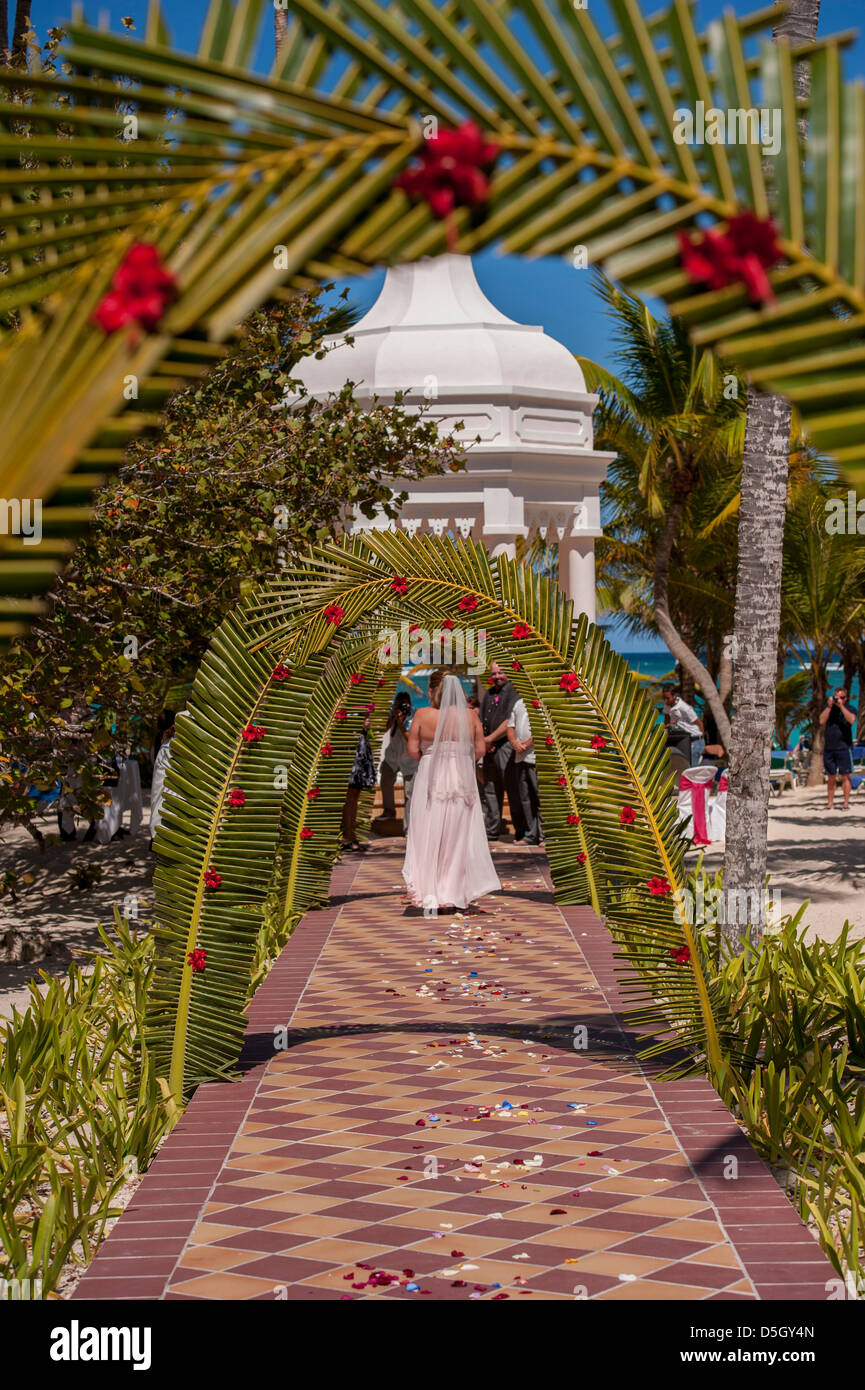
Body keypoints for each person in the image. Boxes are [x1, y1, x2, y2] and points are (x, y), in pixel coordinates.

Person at [403, 670, 500, 913]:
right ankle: (453, 893)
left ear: (431, 691)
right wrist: (459, 756)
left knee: (429, 833)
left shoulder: (422, 715)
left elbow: (413, 750)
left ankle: (432, 891)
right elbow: (480, 749)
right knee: (458, 835)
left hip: (430, 777)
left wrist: (432, 754)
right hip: (460, 777)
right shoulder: (470, 716)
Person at [479, 661, 522, 840]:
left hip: (506, 746)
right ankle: (491, 831)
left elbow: (509, 722)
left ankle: (521, 831)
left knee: (513, 790)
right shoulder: (489, 694)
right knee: (490, 790)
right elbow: (481, 719)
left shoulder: (513, 692)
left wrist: (490, 739)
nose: (497, 676)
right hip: (489, 749)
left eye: (500, 672)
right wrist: (486, 741)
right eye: (494, 673)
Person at [376, 692, 418, 832]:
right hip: (392, 757)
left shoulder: (414, 715)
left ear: (410, 703)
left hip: (409, 759)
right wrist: (394, 716)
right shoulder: (392, 713)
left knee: (409, 793)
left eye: (404, 703)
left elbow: (410, 738)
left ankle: (409, 827)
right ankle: (389, 811)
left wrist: (401, 723)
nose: (402, 706)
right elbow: (384, 729)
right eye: (399, 703)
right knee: (385, 782)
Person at [506, 696, 541, 844]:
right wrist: (514, 743)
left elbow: (543, 727)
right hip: (519, 758)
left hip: (536, 757)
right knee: (525, 798)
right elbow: (510, 726)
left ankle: (544, 835)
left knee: (540, 797)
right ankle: (530, 835)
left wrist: (526, 744)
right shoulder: (518, 703)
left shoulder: (542, 702)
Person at [341, 712, 376, 851]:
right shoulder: (349, 707)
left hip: (361, 751)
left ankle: (351, 834)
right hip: (351, 751)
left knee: (354, 796)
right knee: (349, 796)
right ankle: (346, 836)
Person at [820, 686, 857, 810]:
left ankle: (845, 803)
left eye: (842, 697)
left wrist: (841, 706)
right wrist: (830, 706)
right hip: (829, 748)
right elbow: (821, 720)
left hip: (844, 747)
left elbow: (852, 720)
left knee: (845, 776)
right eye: (837, 697)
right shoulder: (829, 709)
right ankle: (830, 803)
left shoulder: (850, 708)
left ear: (846, 698)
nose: (839, 699)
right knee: (830, 777)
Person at [662, 684, 705, 765]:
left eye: (668, 698)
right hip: (684, 739)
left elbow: (699, 723)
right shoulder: (667, 706)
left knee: (692, 765)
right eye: (664, 698)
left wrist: (701, 739)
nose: (665, 701)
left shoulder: (684, 708)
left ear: (674, 696)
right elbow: (666, 722)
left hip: (695, 739)